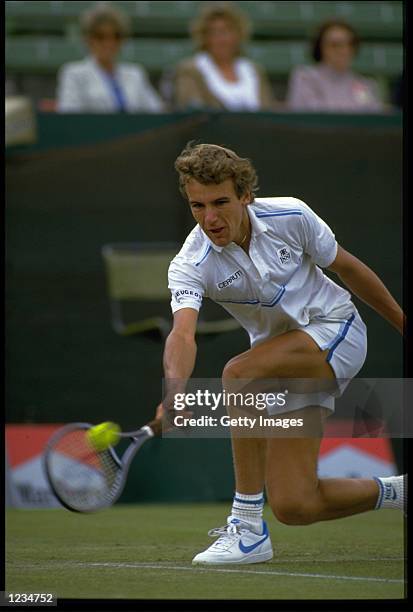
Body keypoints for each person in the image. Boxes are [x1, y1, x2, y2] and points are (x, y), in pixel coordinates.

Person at [155, 142, 405, 565]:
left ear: (245, 196)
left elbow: (348, 268)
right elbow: (182, 334)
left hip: (336, 331)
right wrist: (175, 390)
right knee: (295, 504)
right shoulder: (190, 263)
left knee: (239, 374)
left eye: (220, 203)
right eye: (198, 206)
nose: (210, 218)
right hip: (281, 364)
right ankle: (399, 491)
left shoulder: (291, 214)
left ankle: (247, 526)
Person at [56, 4, 164, 113]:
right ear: (88, 39)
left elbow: (156, 111)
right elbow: (69, 116)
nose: (109, 43)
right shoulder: (73, 74)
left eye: (116, 36)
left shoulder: (136, 74)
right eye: (100, 36)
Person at [172, 4, 275, 111]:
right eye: (214, 33)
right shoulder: (190, 71)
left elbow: (267, 109)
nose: (221, 39)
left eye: (227, 31)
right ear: (204, 38)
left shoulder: (255, 70)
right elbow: (193, 112)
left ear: (239, 35)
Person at [286, 19, 384, 112]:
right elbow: (312, 114)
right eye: (335, 45)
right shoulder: (306, 78)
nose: (343, 50)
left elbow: (373, 114)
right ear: (321, 48)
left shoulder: (363, 85)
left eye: (349, 44)